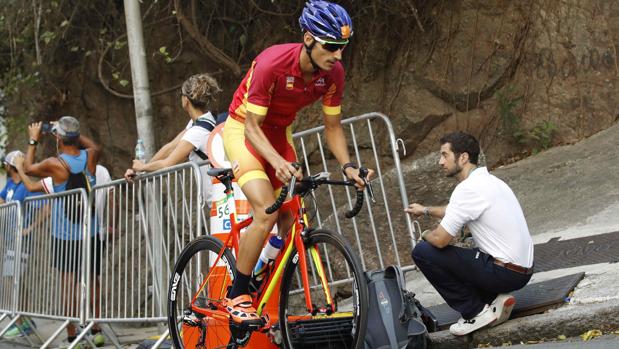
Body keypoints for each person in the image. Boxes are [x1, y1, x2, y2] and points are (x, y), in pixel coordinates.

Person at [221, 0, 371, 326]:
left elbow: (332, 127)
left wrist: (347, 166)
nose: (338, 55)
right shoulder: (272, 63)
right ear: (308, 38)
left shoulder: (333, 75)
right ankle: (236, 294)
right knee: (265, 210)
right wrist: (276, 162)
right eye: (331, 46)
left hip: (279, 134)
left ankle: (260, 270)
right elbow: (251, 127)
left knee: (291, 223)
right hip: (243, 131)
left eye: (343, 47)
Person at [406, 131, 534, 336]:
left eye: (444, 155)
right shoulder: (491, 182)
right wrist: (426, 210)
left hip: (504, 273)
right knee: (463, 256)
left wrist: (425, 234)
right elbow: (453, 210)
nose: (440, 161)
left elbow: (440, 240)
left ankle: (474, 311)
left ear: (463, 157)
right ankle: (492, 299)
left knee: (423, 252)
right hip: (522, 271)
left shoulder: (467, 189)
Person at [23, 117, 105, 346]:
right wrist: (73, 130)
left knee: (68, 285)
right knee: (93, 281)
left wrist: (33, 140)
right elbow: (96, 146)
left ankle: (73, 336)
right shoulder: (90, 156)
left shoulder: (54, 163)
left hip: (65, 235)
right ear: (76, 137)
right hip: (90, 232)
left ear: (57, 137)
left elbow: (29, 169)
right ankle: (97, 330)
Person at [124, 73, 221, 206]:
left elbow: (167, 163)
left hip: (220, 199)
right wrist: (138, 170)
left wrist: (143, 166)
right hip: (220, 195)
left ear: (186, 100)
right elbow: (170, 147)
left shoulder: (196, 132)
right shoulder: (203, 121)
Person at [0, 150, 42, 338]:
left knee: (12, 280)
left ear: (10, 166)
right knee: (14, 280)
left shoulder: (26, 186)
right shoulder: (10, 184)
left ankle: (22, 322)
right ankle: (26, 320)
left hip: (21, 241)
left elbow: (45, 207)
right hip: (9, 239)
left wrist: (30, 228)